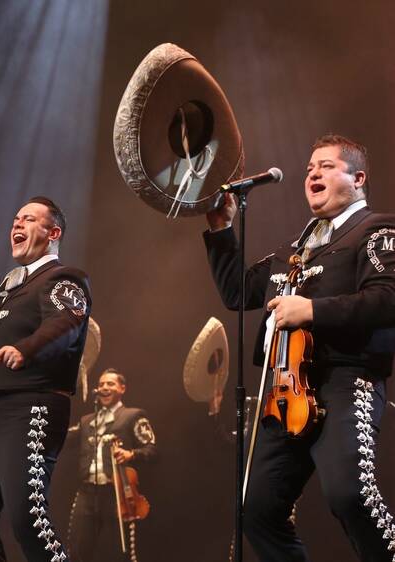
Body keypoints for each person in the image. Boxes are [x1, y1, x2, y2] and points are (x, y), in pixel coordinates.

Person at [203, 134, 395, 561]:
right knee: (256, 510)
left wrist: (312, 309)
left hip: (347, 380)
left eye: (326, 166)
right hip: (286, 393)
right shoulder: (295, 250)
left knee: (350, 494)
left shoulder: (377, 230)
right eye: (310, 168)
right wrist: (221, 229)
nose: (313, 173)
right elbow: (238, 292)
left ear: (358, 178)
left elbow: (388, 299)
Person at [0, 196, 92, 561]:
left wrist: (25, 349)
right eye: (15, 220)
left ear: (53, 232)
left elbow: (67, 323)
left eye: (28, 219)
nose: (16, 225)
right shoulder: (10, 291)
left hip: (31, 405)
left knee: (30, 520)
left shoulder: (62, 277)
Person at [67, 369, 156, 562]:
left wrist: (131, 454)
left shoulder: (133, 416)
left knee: (118, 550)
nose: (104, 388)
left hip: (117, 493)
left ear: (122, 388)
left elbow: (151, 449)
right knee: (78, 548)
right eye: (101, 384)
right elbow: (64, 439)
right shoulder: (87, 420)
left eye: (110, 384)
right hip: (87, 492)